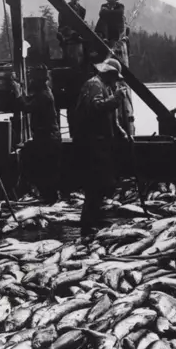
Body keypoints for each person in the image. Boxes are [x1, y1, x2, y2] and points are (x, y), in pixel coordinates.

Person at [72, 59, 129, 237]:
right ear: (108, 73)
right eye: (113, 76)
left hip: (101, 143)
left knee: (102, 183)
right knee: (94, 184)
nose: (115, 80)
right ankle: (88, 226)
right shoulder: (94, 85)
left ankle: (93, 220)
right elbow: (96, 108)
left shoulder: (105, 86)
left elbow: (110, 116)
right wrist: (117, 98)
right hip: (91, 144)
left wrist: (120, 131)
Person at [11, 65, 62, 204]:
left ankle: (50, 201)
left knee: (46, 171)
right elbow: (29, 100)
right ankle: (49, 198)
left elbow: (26, 107)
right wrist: (20, 92)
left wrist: (17, 94)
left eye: (33, 79)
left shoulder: (44, 95)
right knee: (46, 170)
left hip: (48, 139)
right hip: (48, 137)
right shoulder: (43, 92)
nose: (31, 81)